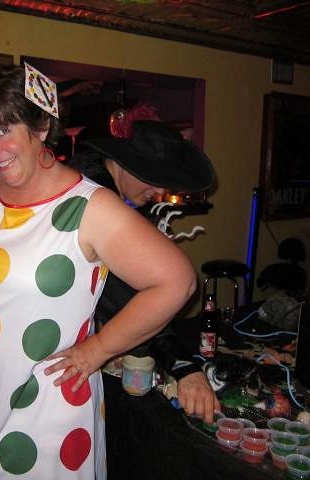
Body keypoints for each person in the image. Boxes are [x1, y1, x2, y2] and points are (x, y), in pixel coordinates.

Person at [0, 64, 196, 480]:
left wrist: (97, 350)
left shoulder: (89, 207)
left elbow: (176, 282)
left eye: (3, 130)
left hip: (43, 405)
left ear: (42, 127)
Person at [69, 117, 220, 418]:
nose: (161, 190)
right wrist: (183, 366)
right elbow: (128, 297)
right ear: (123, 163)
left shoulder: (93, 181)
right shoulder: (97, 198)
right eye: (154, 178)